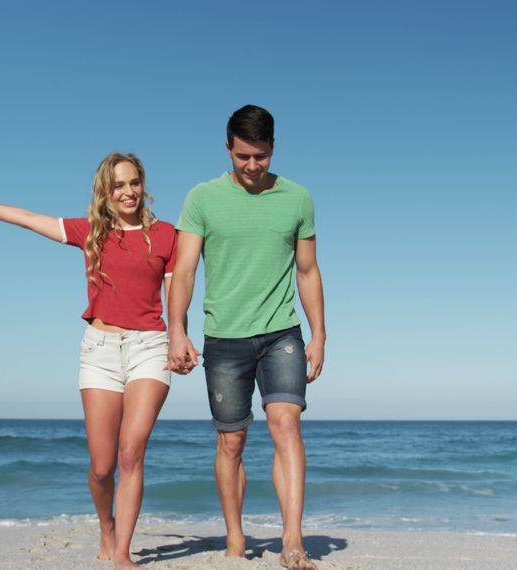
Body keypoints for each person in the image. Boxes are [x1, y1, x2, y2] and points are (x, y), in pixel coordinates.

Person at [0, 154, 177, 568]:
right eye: (118, 185)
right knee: (101, 465)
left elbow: (178, 294)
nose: (128, 192)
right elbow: (26, 217)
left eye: (134, 183)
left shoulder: (166, 235)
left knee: (132, 453)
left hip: (150, 346)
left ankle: (123, 554)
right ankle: (105, 527)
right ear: (106, 193)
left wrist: (180, 339)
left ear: (143, 185)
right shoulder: (92, 231)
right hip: (100, 351)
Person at [166, 105, 326, 570]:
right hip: (224, 338)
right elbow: (185, 269)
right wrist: (177, 331)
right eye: (242, 157)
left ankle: (292, 539)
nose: (252, 166)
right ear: (227, 148)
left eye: (260, 156)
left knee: (287, 426)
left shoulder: (298, 198)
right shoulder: (201, 198)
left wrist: (319, 335)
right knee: (231, 443)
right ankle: (235, 538)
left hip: (282, 332)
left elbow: (309, 270)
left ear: (273, 148)